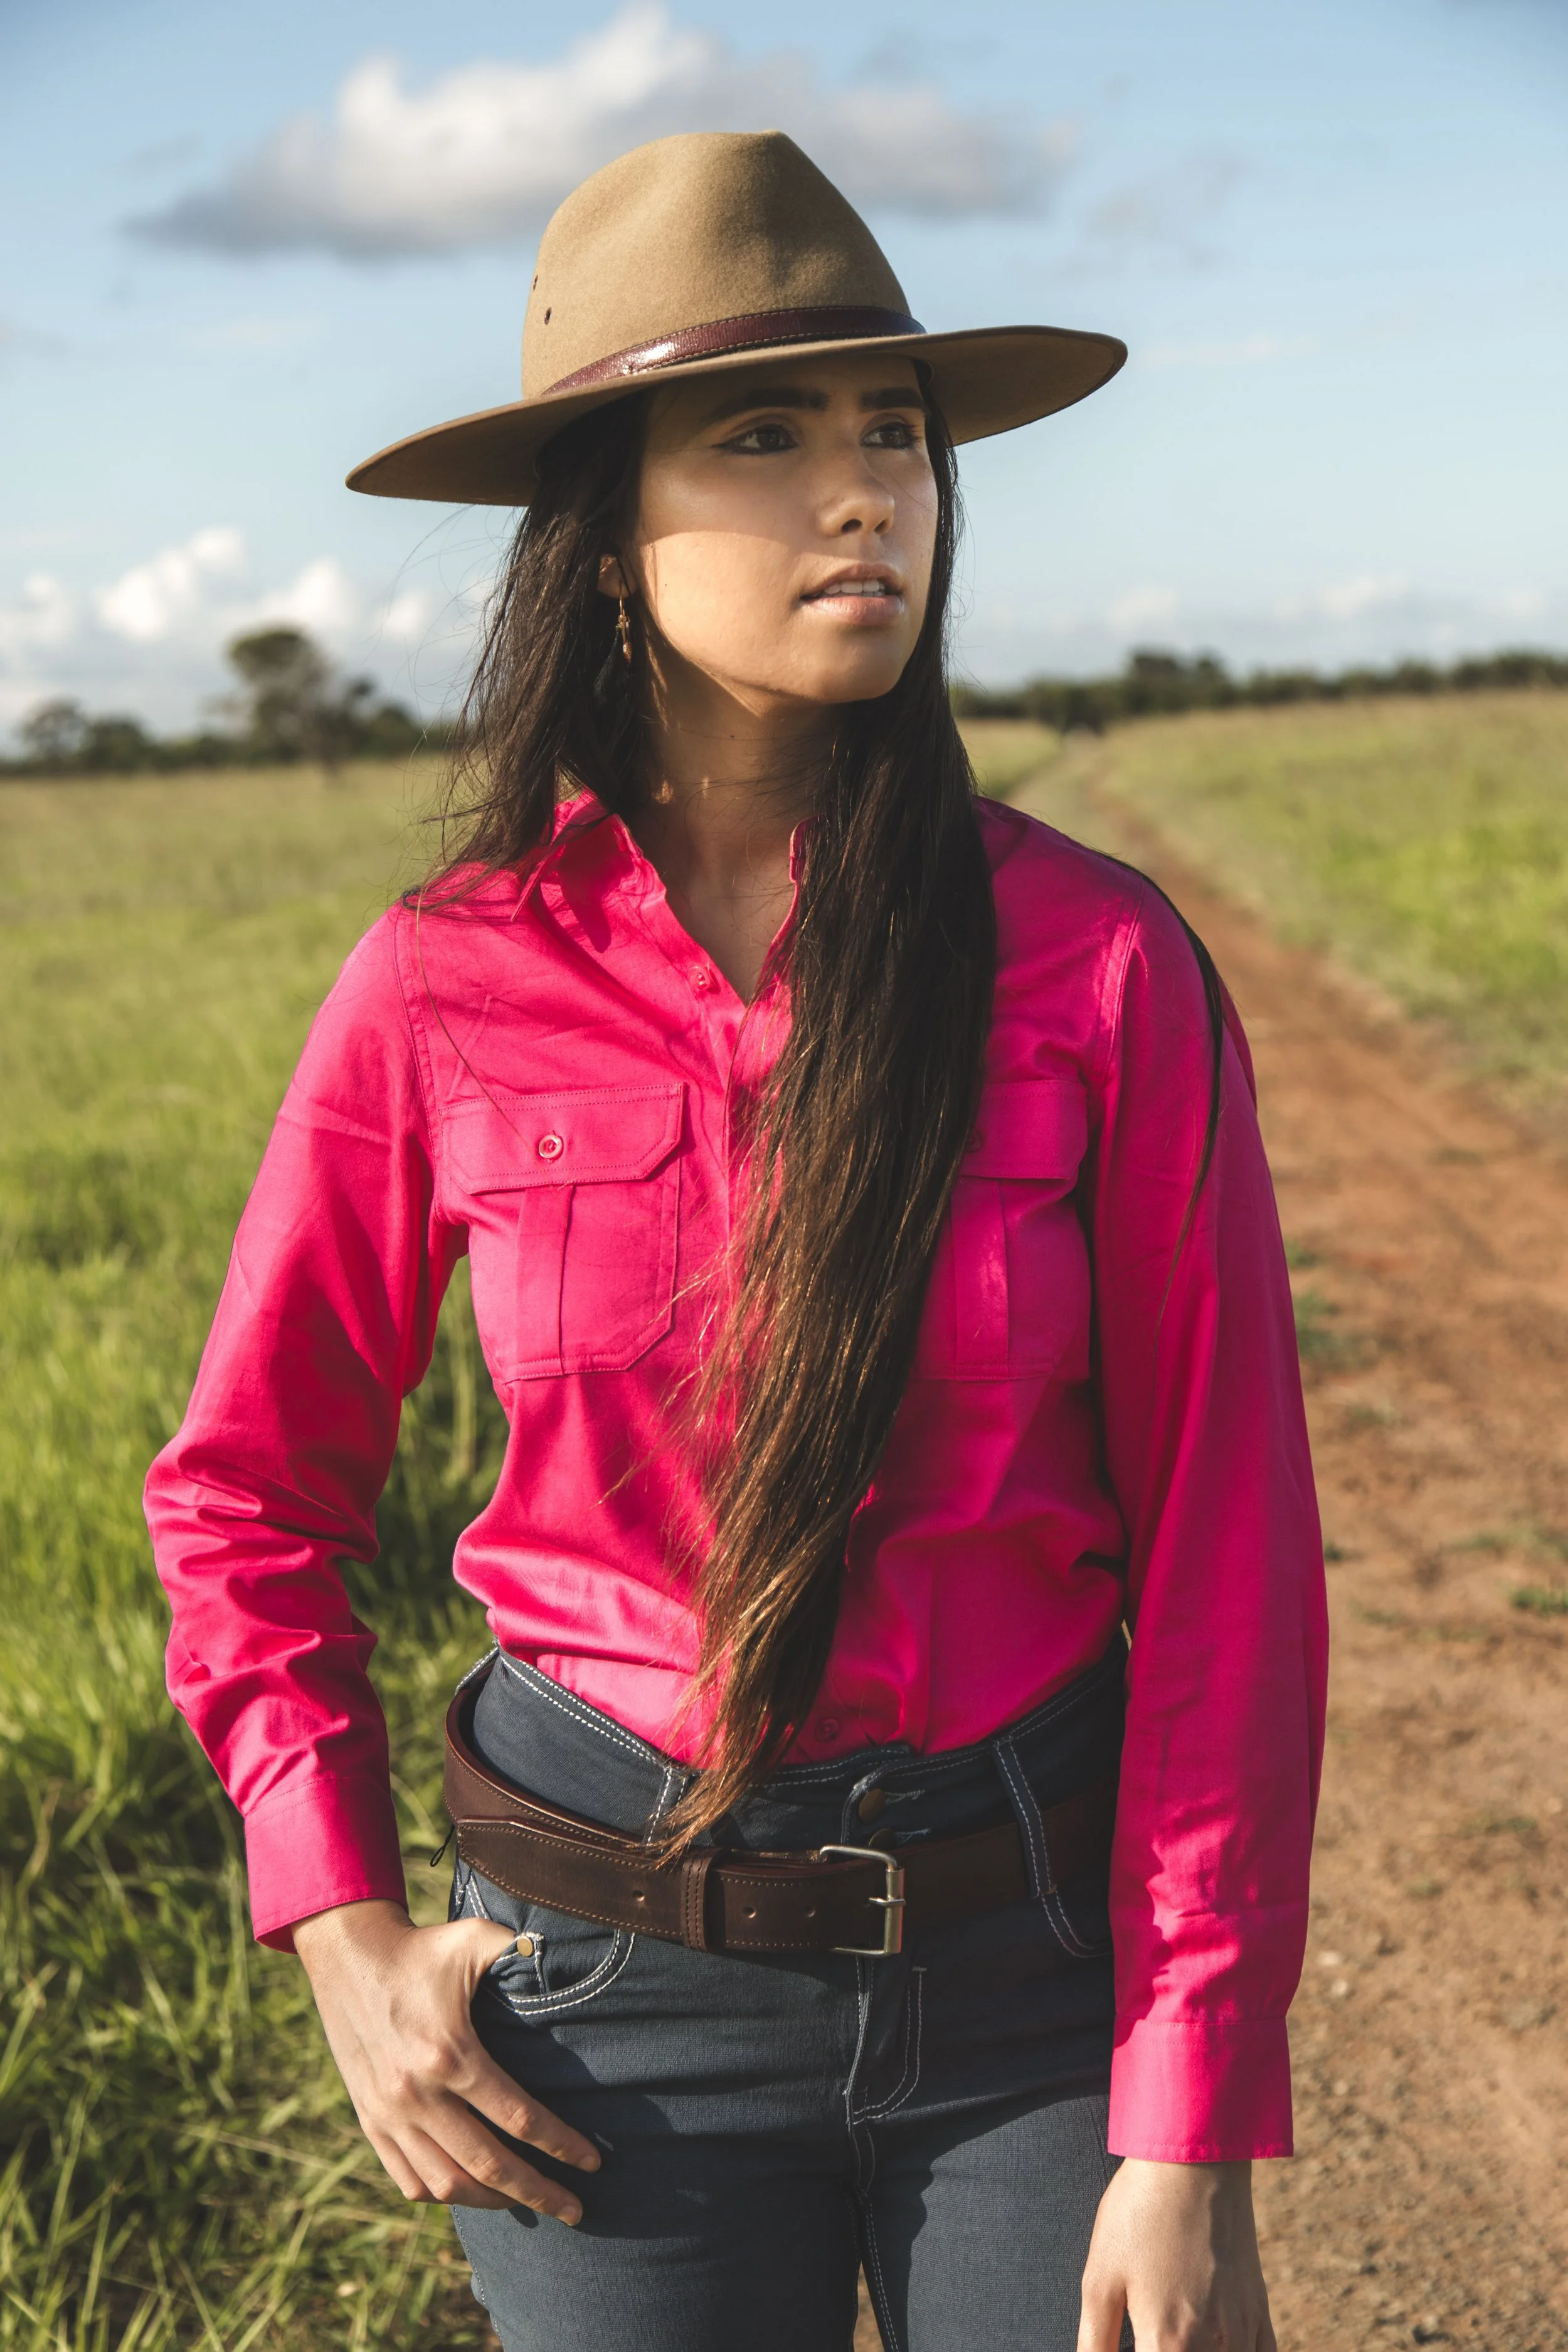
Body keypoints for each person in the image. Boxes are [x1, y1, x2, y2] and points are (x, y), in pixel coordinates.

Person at [145, 131, 1326, 2352]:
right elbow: (244, 1488)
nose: (866, 489)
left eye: (893, 427)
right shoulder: (446, 982)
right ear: (606, 536)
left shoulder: (1091, 963)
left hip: (1030, 1977)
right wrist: (336, 1928)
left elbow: (1229, 1554)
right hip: (603, 2015)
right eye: (763, 435)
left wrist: (1185, 2116)